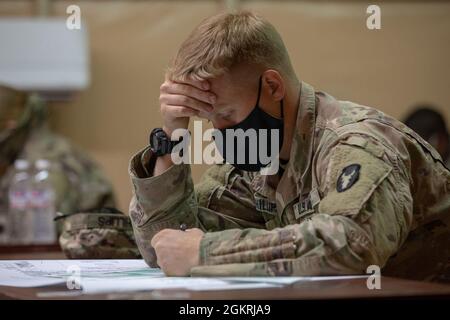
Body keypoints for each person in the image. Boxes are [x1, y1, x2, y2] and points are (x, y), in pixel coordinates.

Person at [128, 12, 450, 282]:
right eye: (209, 119)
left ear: (272, 86)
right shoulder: (259, 160)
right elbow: (168, 244)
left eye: (225, 114)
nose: (220, 131)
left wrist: (206, 252)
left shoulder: (357, 144)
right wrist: (172, 138)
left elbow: (352, 245)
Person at [0, 85, 116, 242]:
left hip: (80, 255)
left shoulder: (43, 161)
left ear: (11, 126)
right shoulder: (21, 154)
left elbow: (43, 230)